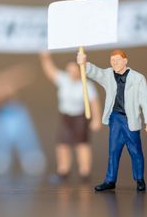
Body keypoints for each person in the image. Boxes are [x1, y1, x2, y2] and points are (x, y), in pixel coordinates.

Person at [76, 49, 147, 192]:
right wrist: (84, 64)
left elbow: (146, 101)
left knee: (135, 151)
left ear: (125, 61)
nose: (115, 63)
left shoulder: (138, 78)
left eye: (117, 60)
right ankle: (110, 180)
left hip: (130, 119)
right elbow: (96, 73)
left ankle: (139, 179)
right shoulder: (108, 75)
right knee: (113, 150)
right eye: (112, 61)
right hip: (115, 119)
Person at [40, 52, 101, 183]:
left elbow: (94, 103)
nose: (71, 73)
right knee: (62, 144)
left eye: (73, 70)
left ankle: (85, 172)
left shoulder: (87, 85)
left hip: (80, 117)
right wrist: (45, 58)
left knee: (82, 144)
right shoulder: (63, 79)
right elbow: (51, 71)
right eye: (69, 70)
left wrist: (96, 119)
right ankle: (63, 170)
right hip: (66, 116)